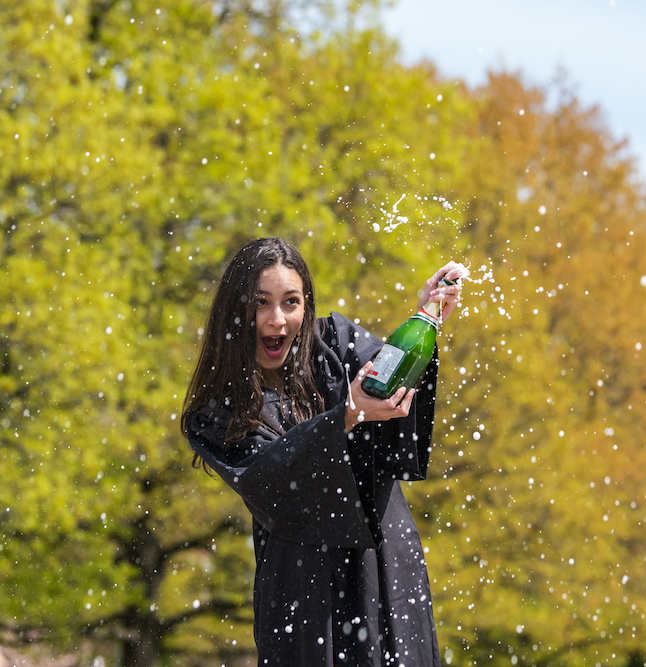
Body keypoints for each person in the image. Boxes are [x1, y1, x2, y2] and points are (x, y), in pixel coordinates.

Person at [181, 237, 465, 666]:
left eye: (290, 302)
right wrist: (344, 417)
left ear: (306, 304)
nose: (276, 320)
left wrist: (426, 316)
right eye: (260, 303)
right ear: (234, 310)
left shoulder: (336, 343)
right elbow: (269, 481)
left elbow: (392, 373)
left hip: (383, 563)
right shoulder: (217, 412)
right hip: (303, 590)